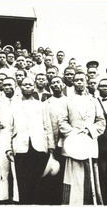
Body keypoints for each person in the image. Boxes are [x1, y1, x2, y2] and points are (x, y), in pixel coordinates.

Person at [5, 77, 55, 204]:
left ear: (34, 87)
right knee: (23, 181)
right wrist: (8, 148)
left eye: (30, 85)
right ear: (20, 87)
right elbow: (9, 129)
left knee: (39, 181)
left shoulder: (42, 105)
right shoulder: (14, 106)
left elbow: (47, 126)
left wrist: (50, 145)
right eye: (25, 84)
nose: (27, 86)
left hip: (39, 146)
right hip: (21, 147)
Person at [58, 71, 105, 205]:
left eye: (82, 80)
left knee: (89, 177)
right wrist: (75, 133)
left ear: (86, 82)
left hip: (89, 142)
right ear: (72, 83)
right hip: (73, 144)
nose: (79, 82)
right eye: (76, 80)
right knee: (72, 178)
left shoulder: (94, 100)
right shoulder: (67, 100)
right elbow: (62, 121)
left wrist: (88, 131)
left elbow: (101, 122)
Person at [0, 77, 20, 204]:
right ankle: (3, 198)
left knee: (16, 170)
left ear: (15, 86)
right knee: (3, 170)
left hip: (17, 137)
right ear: (1, 87)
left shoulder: (20, 102)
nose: (7, 87)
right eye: (5, 85)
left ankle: (17, 198)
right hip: (3, 137)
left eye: (10, 85)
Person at [43, 76, 68, 204]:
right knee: (53, 172)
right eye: (53, 83)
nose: (56, 85)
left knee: (66, 172)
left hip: (68, 142)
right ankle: (52, 200)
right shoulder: (46, 104)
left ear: (63, 85)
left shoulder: (69, 101)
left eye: (58, 82)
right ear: (50, 86)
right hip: (52, 143)